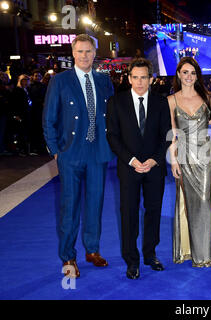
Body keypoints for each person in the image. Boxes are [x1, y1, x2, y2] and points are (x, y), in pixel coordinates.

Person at [43, 34, 114, 278]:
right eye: (80, 51)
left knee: (95, 205)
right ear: (73, 54)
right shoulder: (60, 81)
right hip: (70, 152)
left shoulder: (105, 81)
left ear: (95, 54)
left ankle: (92, 250)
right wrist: (55, 151)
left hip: (98, 152)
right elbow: (49, 118)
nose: (85, 56)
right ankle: (68, 255)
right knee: (70, 207)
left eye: (89, 51)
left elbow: (112, 117)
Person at [106, 58, 171, 279]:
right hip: (128, 167)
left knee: (154, 212)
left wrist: (155, 160)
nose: (140, 82)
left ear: (151, 79)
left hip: (154, 168)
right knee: (129, 214)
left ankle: (150, 254)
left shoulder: (161, 103)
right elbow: (112, 136)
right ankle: (131, 260)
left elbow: (167, 135)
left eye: (144, 77)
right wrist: (131, 160)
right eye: (135, 77)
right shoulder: (116, 102)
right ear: (129, 78)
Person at [167, 57, 211, 268]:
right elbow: (172, 134)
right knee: (188, 203)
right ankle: (188, 250)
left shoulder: (206, 97)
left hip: (205, 156)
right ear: (179, 74)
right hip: (183, 156)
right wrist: (173, 161)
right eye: (185, 72)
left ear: (197, 75)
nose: (189, 77)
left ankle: (204, 255)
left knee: (204, 202)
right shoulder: (171, 101)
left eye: (193, 73)